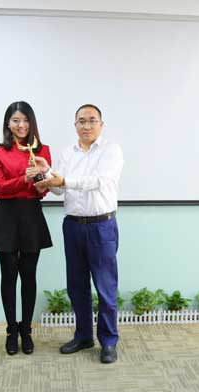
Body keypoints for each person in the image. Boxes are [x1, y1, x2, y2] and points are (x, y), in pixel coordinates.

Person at [33, 104, 123, 364]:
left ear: (101, 125)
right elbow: (59, 190)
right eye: (81, 121)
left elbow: (99, 181)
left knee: (105, 288)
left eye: (92, 120)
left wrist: (63, 181)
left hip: (101, 226)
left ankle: (108, 341)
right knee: (76, 286)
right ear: (75, 125)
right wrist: (46, 173)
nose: (86, 125)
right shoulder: (67, 153)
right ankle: (84, 336)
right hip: (73, 226)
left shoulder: (111, 150)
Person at [0, 101, 53, 355]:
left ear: (31, 122)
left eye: (25, 120)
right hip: (7, 216)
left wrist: (41, 181)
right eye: (15, 120)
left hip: (31, 215)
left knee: (29, 276)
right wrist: (23, 178)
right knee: (8, 275)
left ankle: (26, 330)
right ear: (8, 124)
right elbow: (0, 187)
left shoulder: (42, 151)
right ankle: (11, 331)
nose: (21, 125)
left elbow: (43, 191)